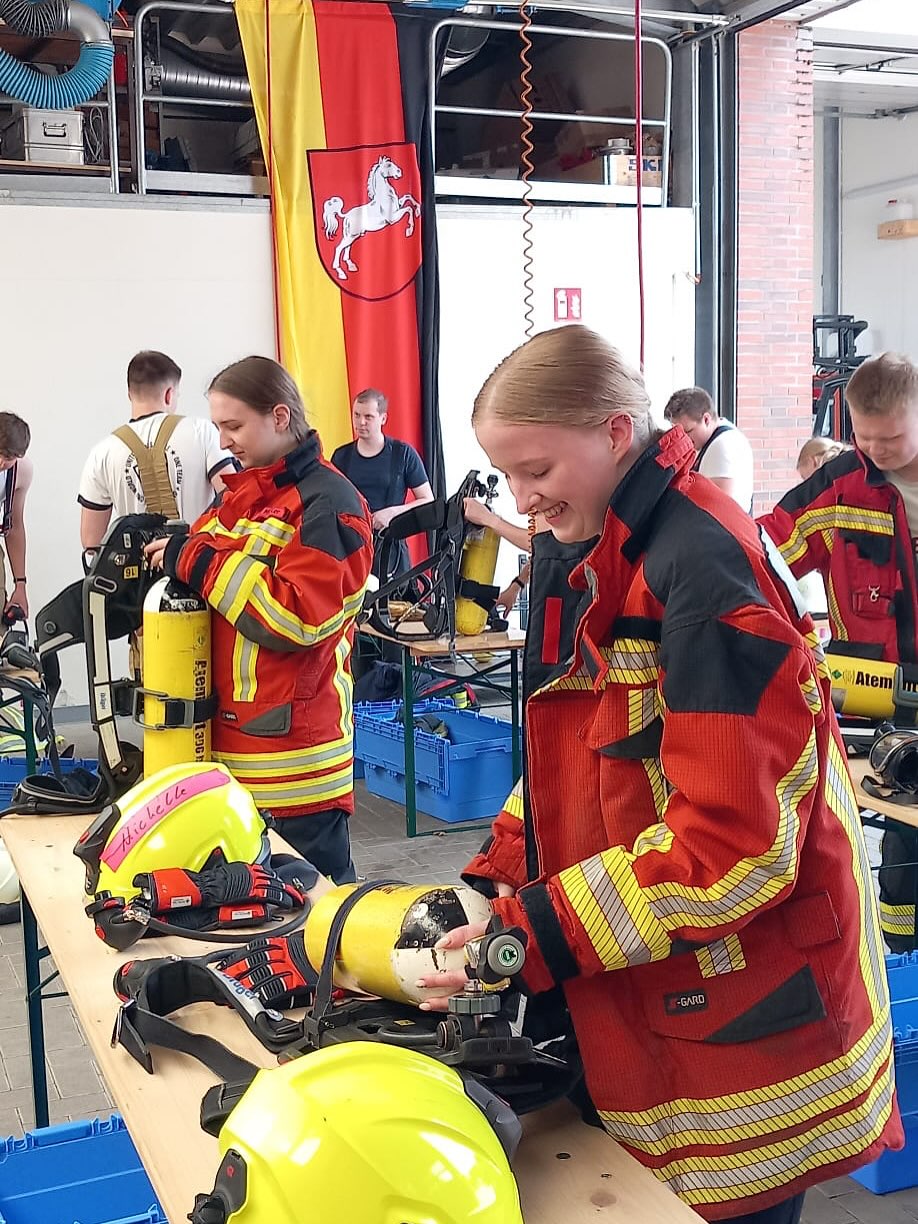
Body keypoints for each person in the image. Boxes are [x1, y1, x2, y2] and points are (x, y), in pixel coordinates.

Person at [418, 325, 901, 1223]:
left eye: (536, 470)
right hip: (658, 1002)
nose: (520, 501)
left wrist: (534, 933)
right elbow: (578, 756)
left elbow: (733, 846)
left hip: (748, 1042)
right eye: (507, 476)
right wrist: (500, 873)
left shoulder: (703, 570)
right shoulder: (601, 545)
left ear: (614, 433)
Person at [145, 356, 373, 884]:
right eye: (218, 427)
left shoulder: (330, 504)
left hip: (296, 777)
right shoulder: (243, 495)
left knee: (319, 919)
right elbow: (208, 576)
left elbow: (295, 618)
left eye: (233, 426)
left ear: (279, 416)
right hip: (229, 763)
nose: (224, 441)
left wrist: (193, 559)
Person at [760, 353, 918, 950]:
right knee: (901, 839)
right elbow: (763, 554)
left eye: (891, 438)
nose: (875, 450)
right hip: (878, 699)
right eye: (864, 437)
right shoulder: (840, 485)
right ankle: (903, 957)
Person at [78, 351, 235, 553]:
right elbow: (234, 498)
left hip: (139, 570)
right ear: (169, 394)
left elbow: (91, 542)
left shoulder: (101, 453)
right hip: (197, 562)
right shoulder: (203, 431)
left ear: (129, 394)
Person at [331, 388, 433, 580]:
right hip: (350, 553)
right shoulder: (341, 457)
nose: (361, 422)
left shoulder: (403, 454)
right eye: (357, 415)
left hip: (391, 554)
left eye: (368, 417)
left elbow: (428, 501)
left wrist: (393, 513)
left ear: (383, 418)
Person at [664, 386, 754, 511]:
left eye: (688, 431)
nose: (683, 439)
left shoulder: (723, 446)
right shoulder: (716, 439)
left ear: (706, 419)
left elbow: (721, 509)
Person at [0, 413, 33, 623]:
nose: (1, 462)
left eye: (8, 457)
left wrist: (20, 585)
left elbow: (14, 526)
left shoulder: (20, 472)